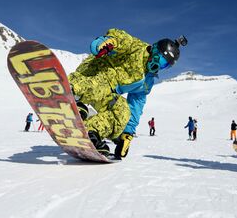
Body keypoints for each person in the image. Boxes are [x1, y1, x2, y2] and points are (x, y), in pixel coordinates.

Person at [68, 28, 187, 159]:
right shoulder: (137, 48)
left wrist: (127, 134)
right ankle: (71, 94)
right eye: (161, 61)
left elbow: (137, 103)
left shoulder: (148, 81)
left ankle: (91, 132)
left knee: (123, 110)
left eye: (165, 66)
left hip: (107, 93)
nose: (159, 66)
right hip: (92, 74)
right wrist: (108, 42)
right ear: (155, 50)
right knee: (101, 85)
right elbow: (121, 38)